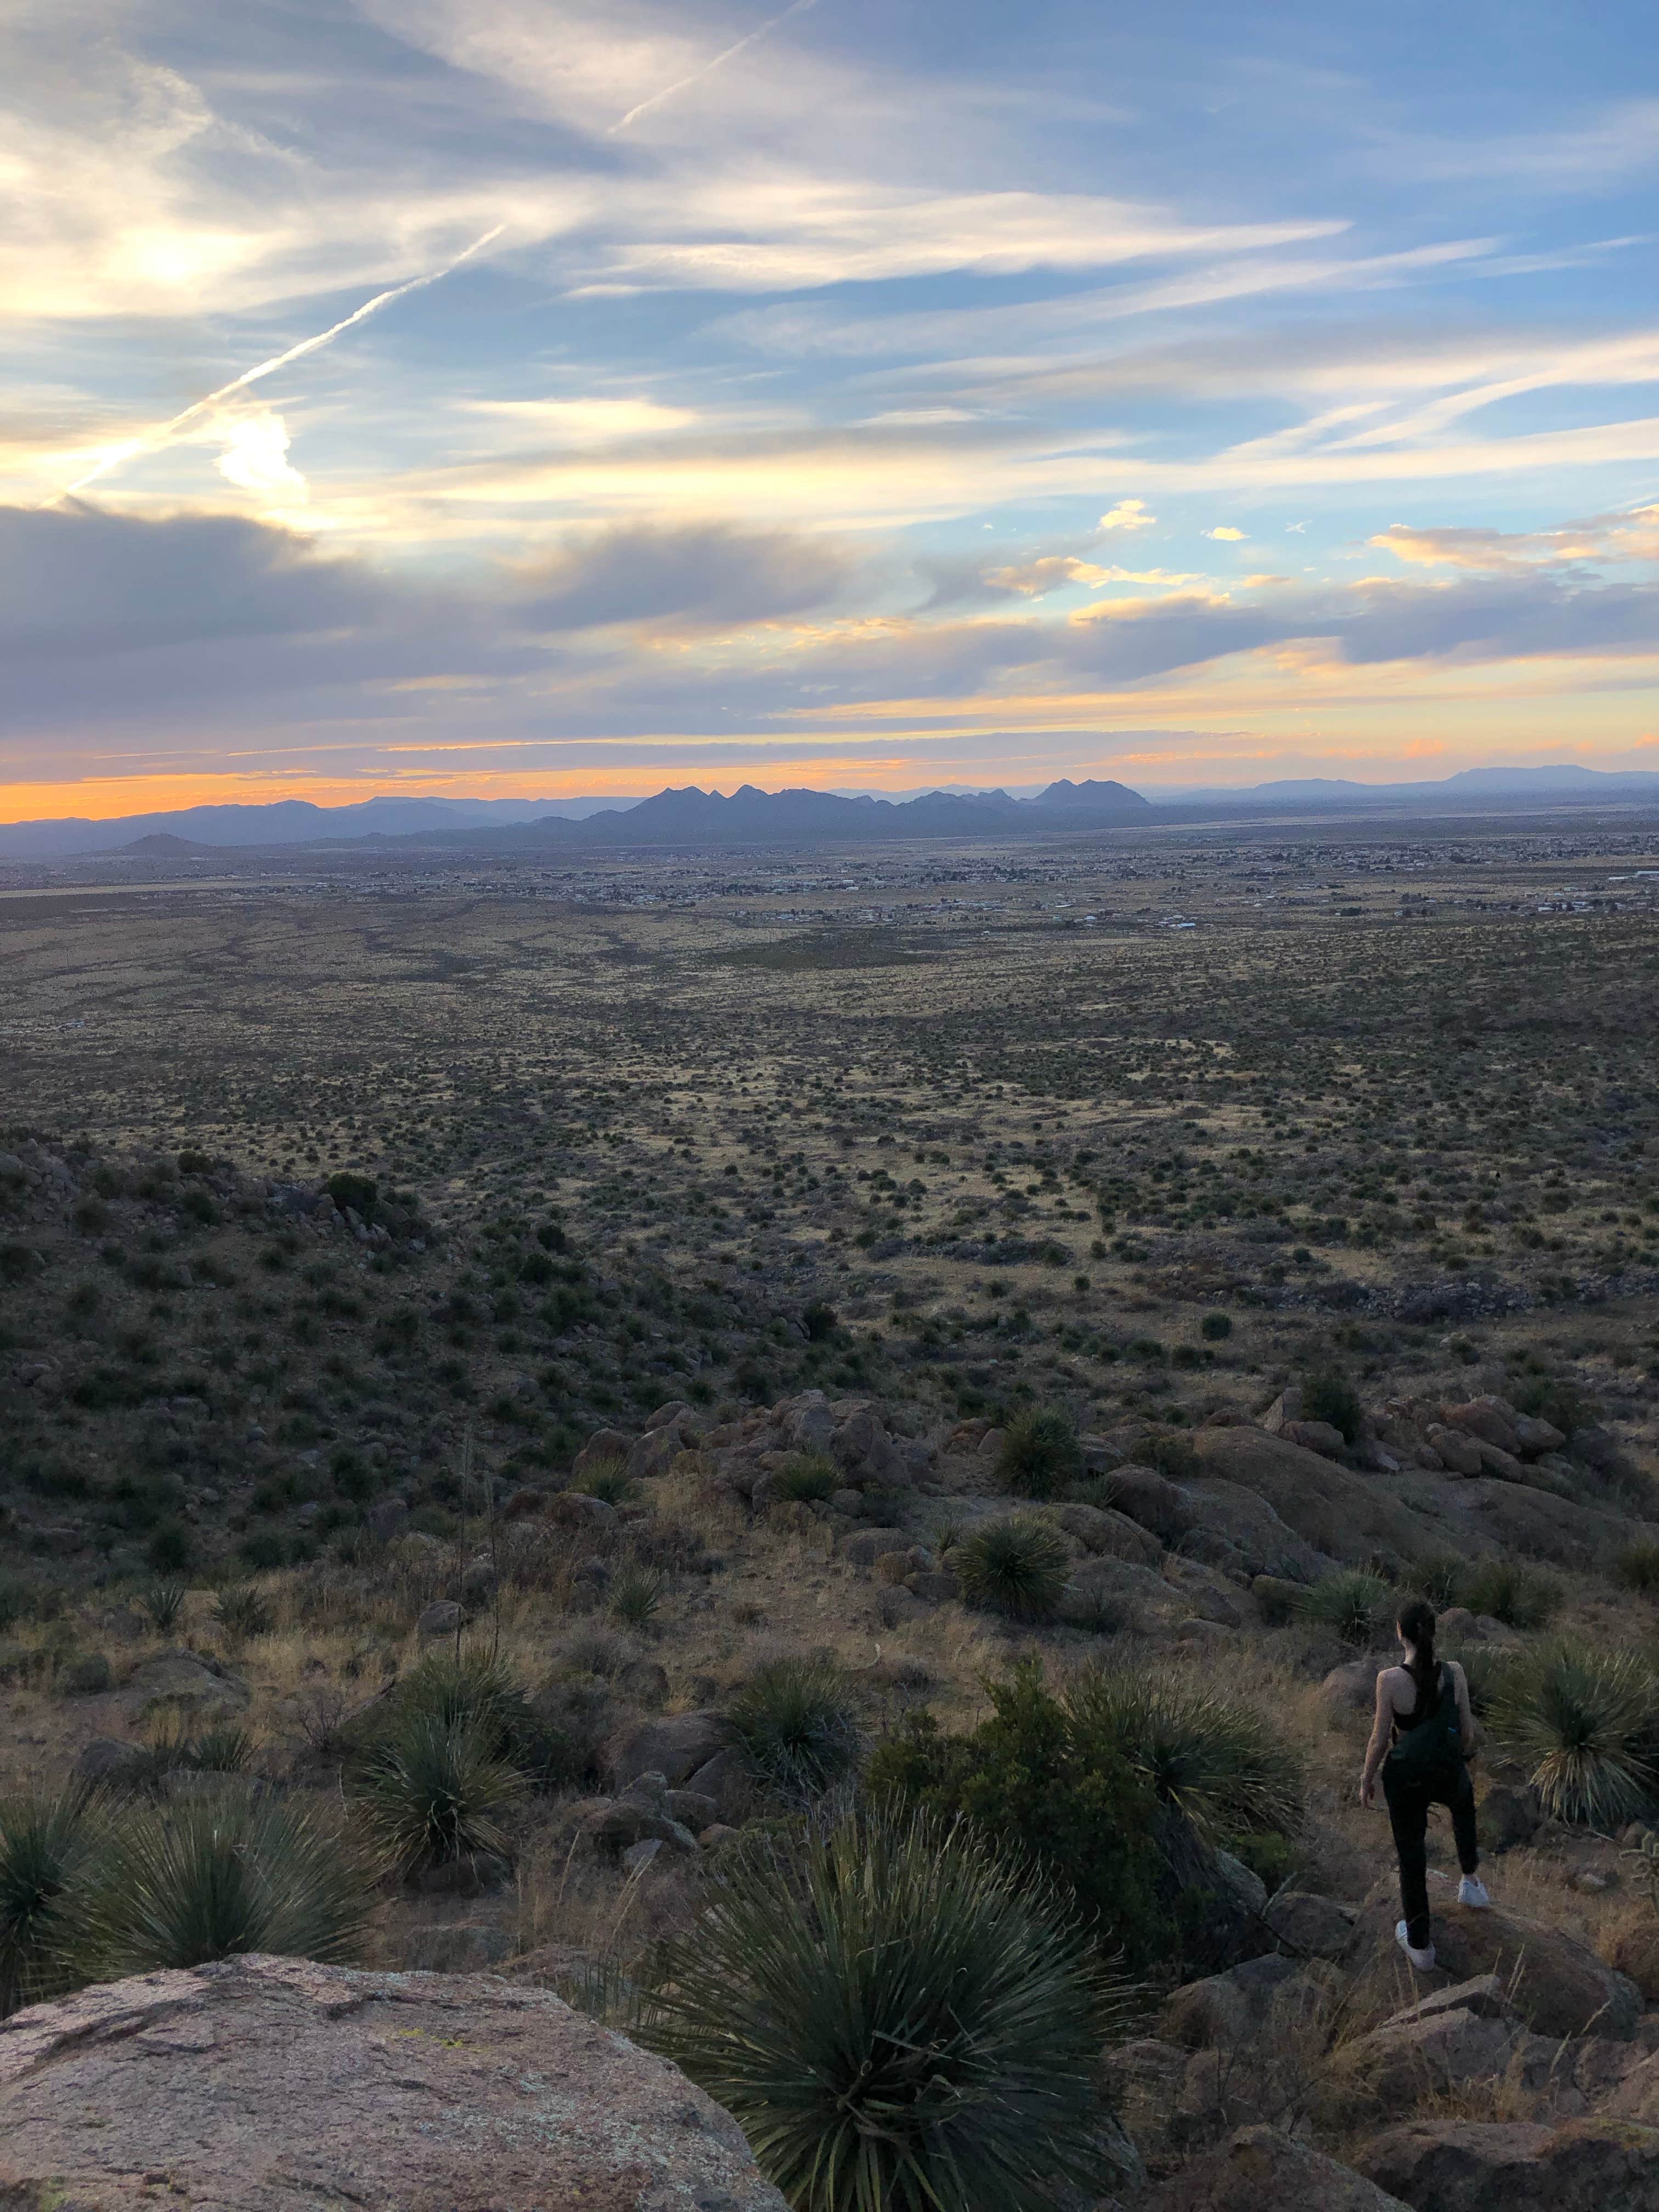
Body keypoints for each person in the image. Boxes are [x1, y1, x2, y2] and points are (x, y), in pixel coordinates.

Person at [1359, 1595, 1488, 1969]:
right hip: (1445, 1769)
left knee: (1411, 1854)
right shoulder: (1456, 1673)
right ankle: (1471, 1882)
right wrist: (1452, 1759)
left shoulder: (1389, 1681)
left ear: (1401, 1633)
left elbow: (1379, 1740)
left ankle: (1420, 1946)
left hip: (1406, 1778)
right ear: (1432, 1630)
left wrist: (1367, 1778)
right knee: (1463, 1801)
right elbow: (1467, 1733)